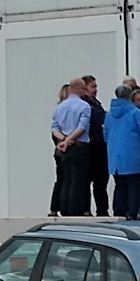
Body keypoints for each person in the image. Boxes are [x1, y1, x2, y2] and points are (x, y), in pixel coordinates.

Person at [49, 76, 92, 217]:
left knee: (65, 179)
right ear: (78, 88)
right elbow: (82, 127)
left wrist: (63, 140)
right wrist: (70, 140)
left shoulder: (60, 107)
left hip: (62, 148)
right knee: (78, 179)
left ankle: (64, 208)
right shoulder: (84, 106)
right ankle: (74, 209)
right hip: (79, 146)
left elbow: (54, 128)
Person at [105, 82, 140, 221]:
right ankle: (133, 216)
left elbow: (106, 135)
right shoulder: (136, 113)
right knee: (135, 188)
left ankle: (118, 215)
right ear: (130, 96)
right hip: (134, 158)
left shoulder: (109, 114)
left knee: (120, 188)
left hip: (115, 159)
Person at [82, 74, 110, 217]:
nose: (96, 89)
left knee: (100, 183)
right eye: (92, 86)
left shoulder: (96, 104)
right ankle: (91, 210)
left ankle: (102, 210)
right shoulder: (87, 106)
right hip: (93, 147)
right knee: (93, 181)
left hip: (99, 147)